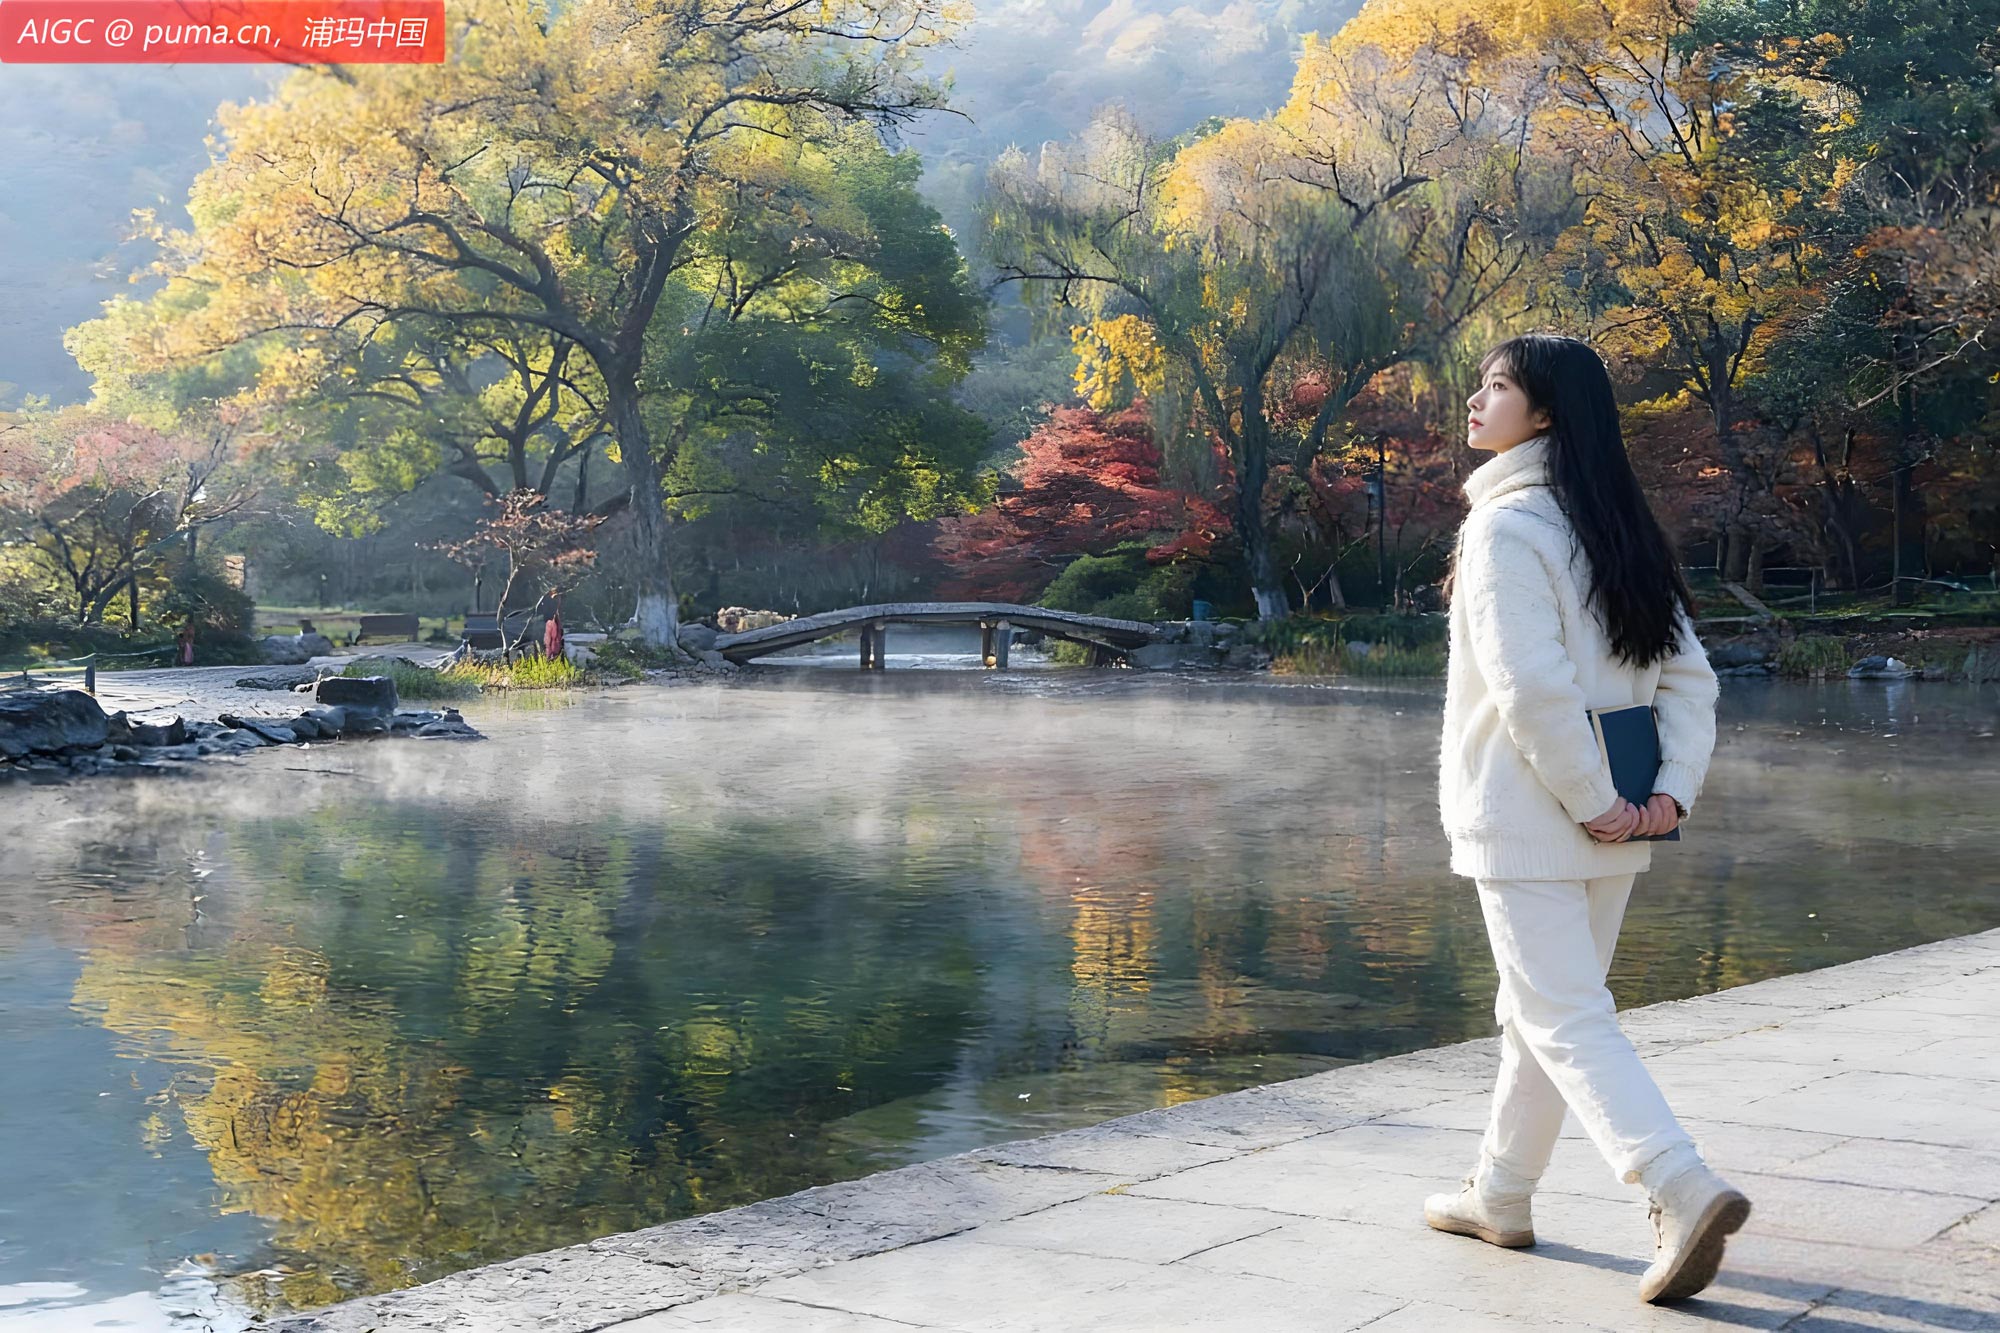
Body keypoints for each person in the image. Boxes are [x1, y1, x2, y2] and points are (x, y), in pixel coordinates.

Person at [1423, 332, 1746, 1304]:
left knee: (1560, 1013)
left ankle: (1676, 1186)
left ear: (1548, 412)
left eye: (1495, 387)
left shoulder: (1505, 527)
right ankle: (1500, 1193)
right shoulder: (1616, 526)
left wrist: (1598, 801)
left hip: (1532, 818)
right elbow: (1686, 678)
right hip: (1610, 825)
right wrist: (1663, 796)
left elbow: (1531, 689)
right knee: (1539, 1013)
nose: (1473, 402)